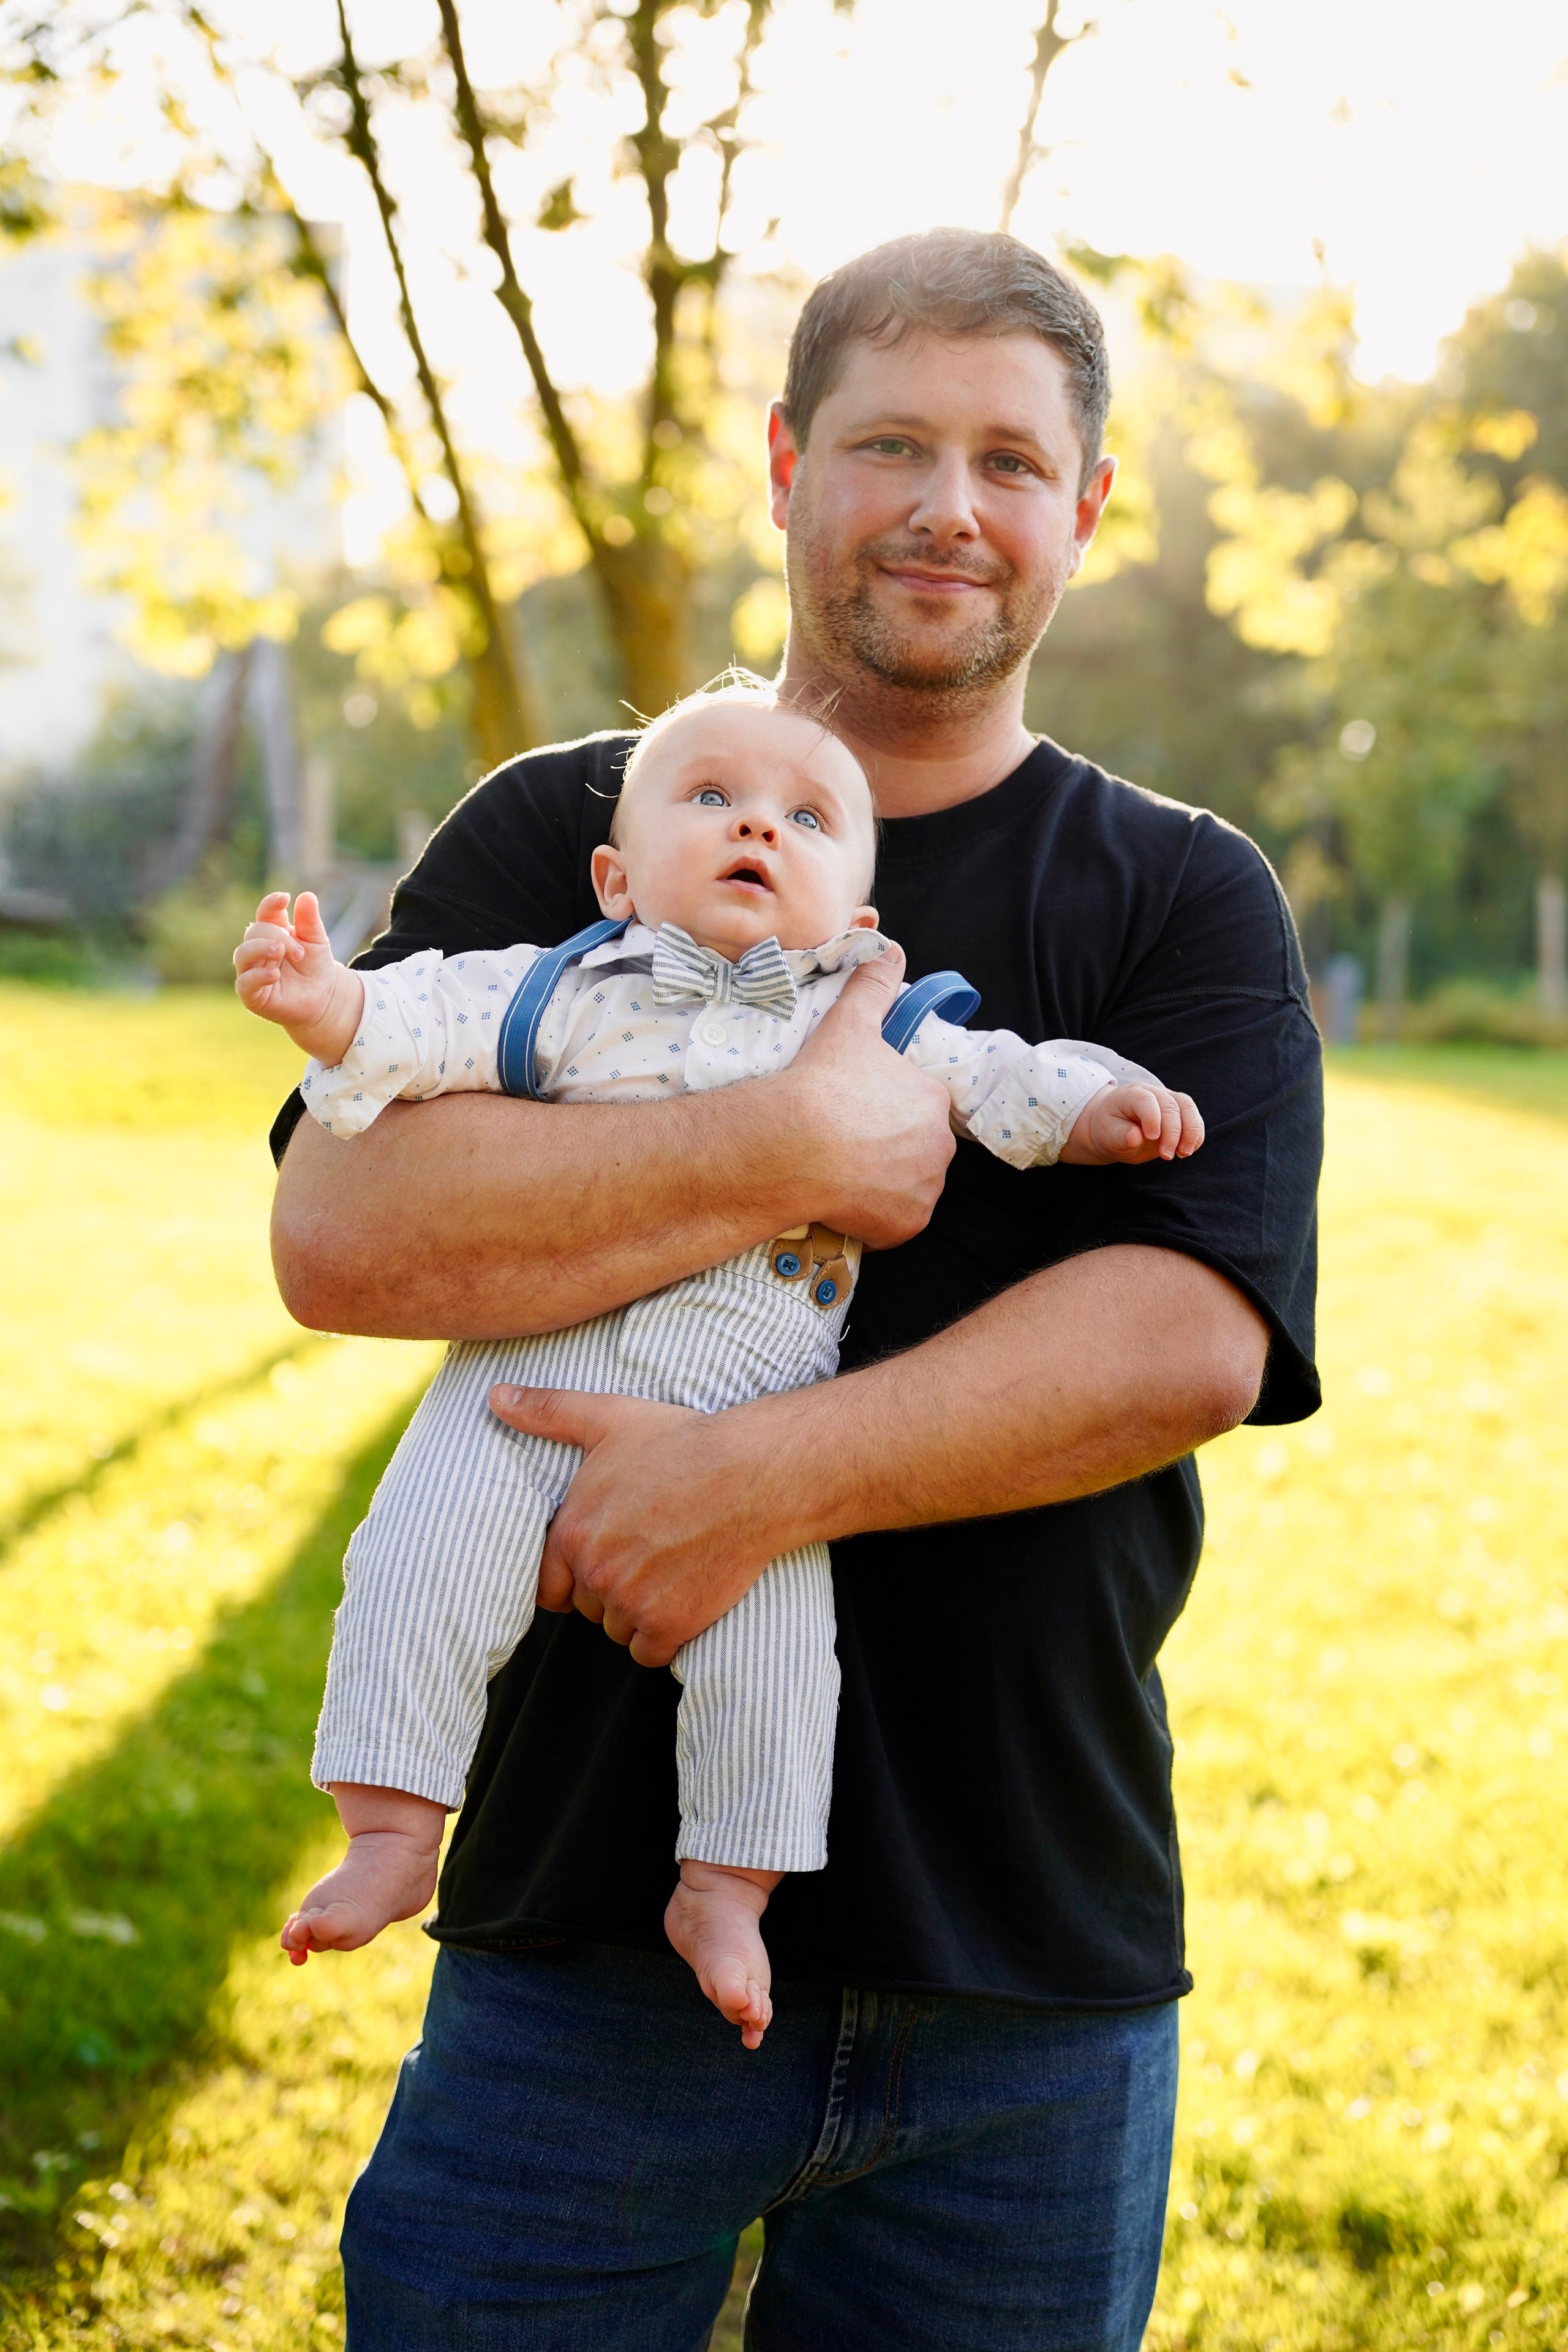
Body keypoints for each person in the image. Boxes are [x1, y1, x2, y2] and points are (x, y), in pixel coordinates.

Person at [268, 227, 1322, 2351]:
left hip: (1024, 1962)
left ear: (1089, 510)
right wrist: (786, 1150)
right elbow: (345, 1236)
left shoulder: (1183, 891)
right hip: (577, 1948)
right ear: (784, 468)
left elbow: (1192, 1335)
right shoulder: (569, 832)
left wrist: (749, 1484)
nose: (951, 504)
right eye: (892, 444)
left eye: (1014, 461)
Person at [236, 679, 1202, 2050]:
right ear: (615, 876)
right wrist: (325, 1000)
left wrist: (1102, 1106)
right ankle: (391, 1828)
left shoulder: (876, 1017)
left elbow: (1004, 1080)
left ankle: (725, 1886)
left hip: (750, 1401)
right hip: (521, 1377)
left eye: (805, 819)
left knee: (773, 1658)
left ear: (859, 919)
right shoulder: (562, 982)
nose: (757, 826)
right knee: (416, 1555)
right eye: (712, 801)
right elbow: (419, 1025)